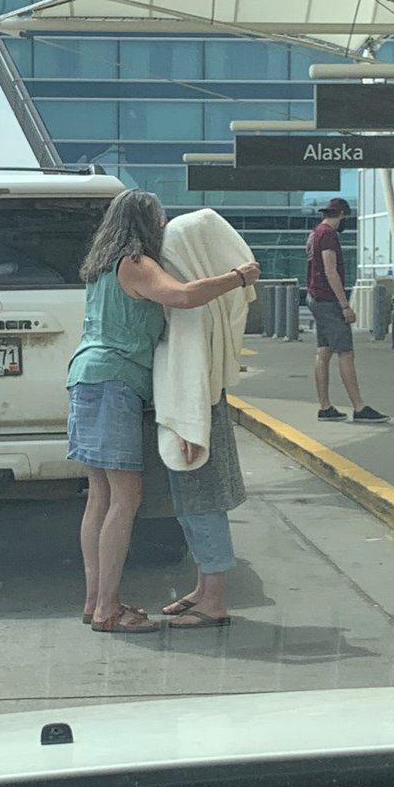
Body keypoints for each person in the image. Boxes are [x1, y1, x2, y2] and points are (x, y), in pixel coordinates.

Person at [66, 189, 260, 634]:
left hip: (85, 378)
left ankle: (95, 599)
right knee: (125, 498)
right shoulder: (137, 262)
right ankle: (108, 611)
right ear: (146, 224)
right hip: (115, 382)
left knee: (99, 497)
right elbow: (184, 297)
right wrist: (238, 277)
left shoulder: (101, 268)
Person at [152, 209, 257, 629]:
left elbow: (191, 369)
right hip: (196, 413)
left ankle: (213, 599)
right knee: (193, 503)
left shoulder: (192, 308)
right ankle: (202, 586)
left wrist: (191, 428)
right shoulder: (207, 302)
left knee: (201, 504)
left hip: (192, 418)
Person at [306, 198, 389, 424]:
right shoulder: (329, 236)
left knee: (324, 351)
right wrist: (345, 305)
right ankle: (359, 407)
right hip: (328, 299)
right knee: (346, 351)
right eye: (346, 218)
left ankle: (325, 406)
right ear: (341, 214)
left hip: (315, 296)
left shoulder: (315, 233)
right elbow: (331, 270)